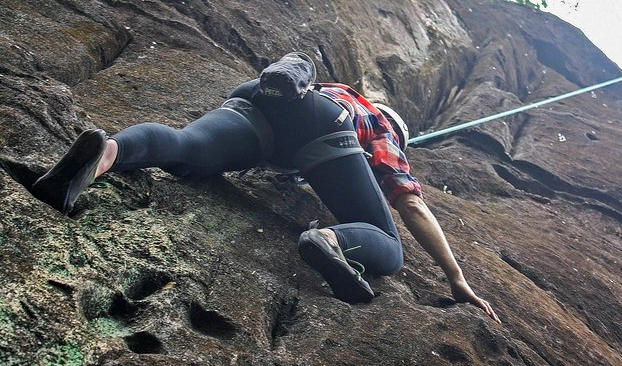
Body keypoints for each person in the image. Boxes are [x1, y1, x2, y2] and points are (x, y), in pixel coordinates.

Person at [32, 53, 500, 323]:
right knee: (391, 251)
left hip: (255, 100)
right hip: (319, 127)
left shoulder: (339, 91)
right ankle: (333, 240)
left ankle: (104, 156)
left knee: (186, 150)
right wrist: (456, 279)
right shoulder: (378, 126)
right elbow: (411, 203)